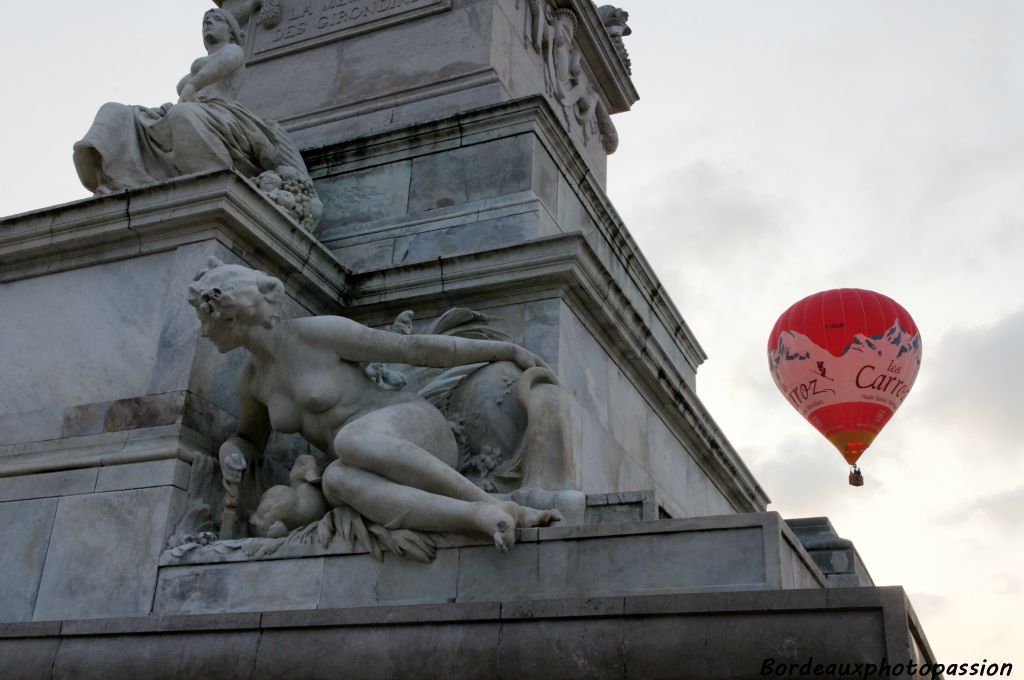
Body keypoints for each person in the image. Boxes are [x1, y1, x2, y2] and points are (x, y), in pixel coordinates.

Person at [187, 258, 561, 552]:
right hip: (363, 462)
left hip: (416, 430)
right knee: (334, 479)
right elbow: (247, 439)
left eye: (208, 321)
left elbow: (413, 351)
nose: (204, 332)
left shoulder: (316, 334)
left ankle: (490, 499)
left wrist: (507, 350)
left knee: (349, 442)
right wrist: (230, 453)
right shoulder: (253, 380)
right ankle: (481, 514)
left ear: (234, 314)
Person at [73, 8, 309, 195]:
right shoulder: (205, 62)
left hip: (218, 112)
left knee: (183, 115)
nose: (208, 23)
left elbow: (218, 67)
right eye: (205, 21)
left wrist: (193, 85)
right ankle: (113, 178)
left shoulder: (233, 51)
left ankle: (214, 182)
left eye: (216, 19)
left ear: (232, 32)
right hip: (189, 110)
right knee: (115, 112)